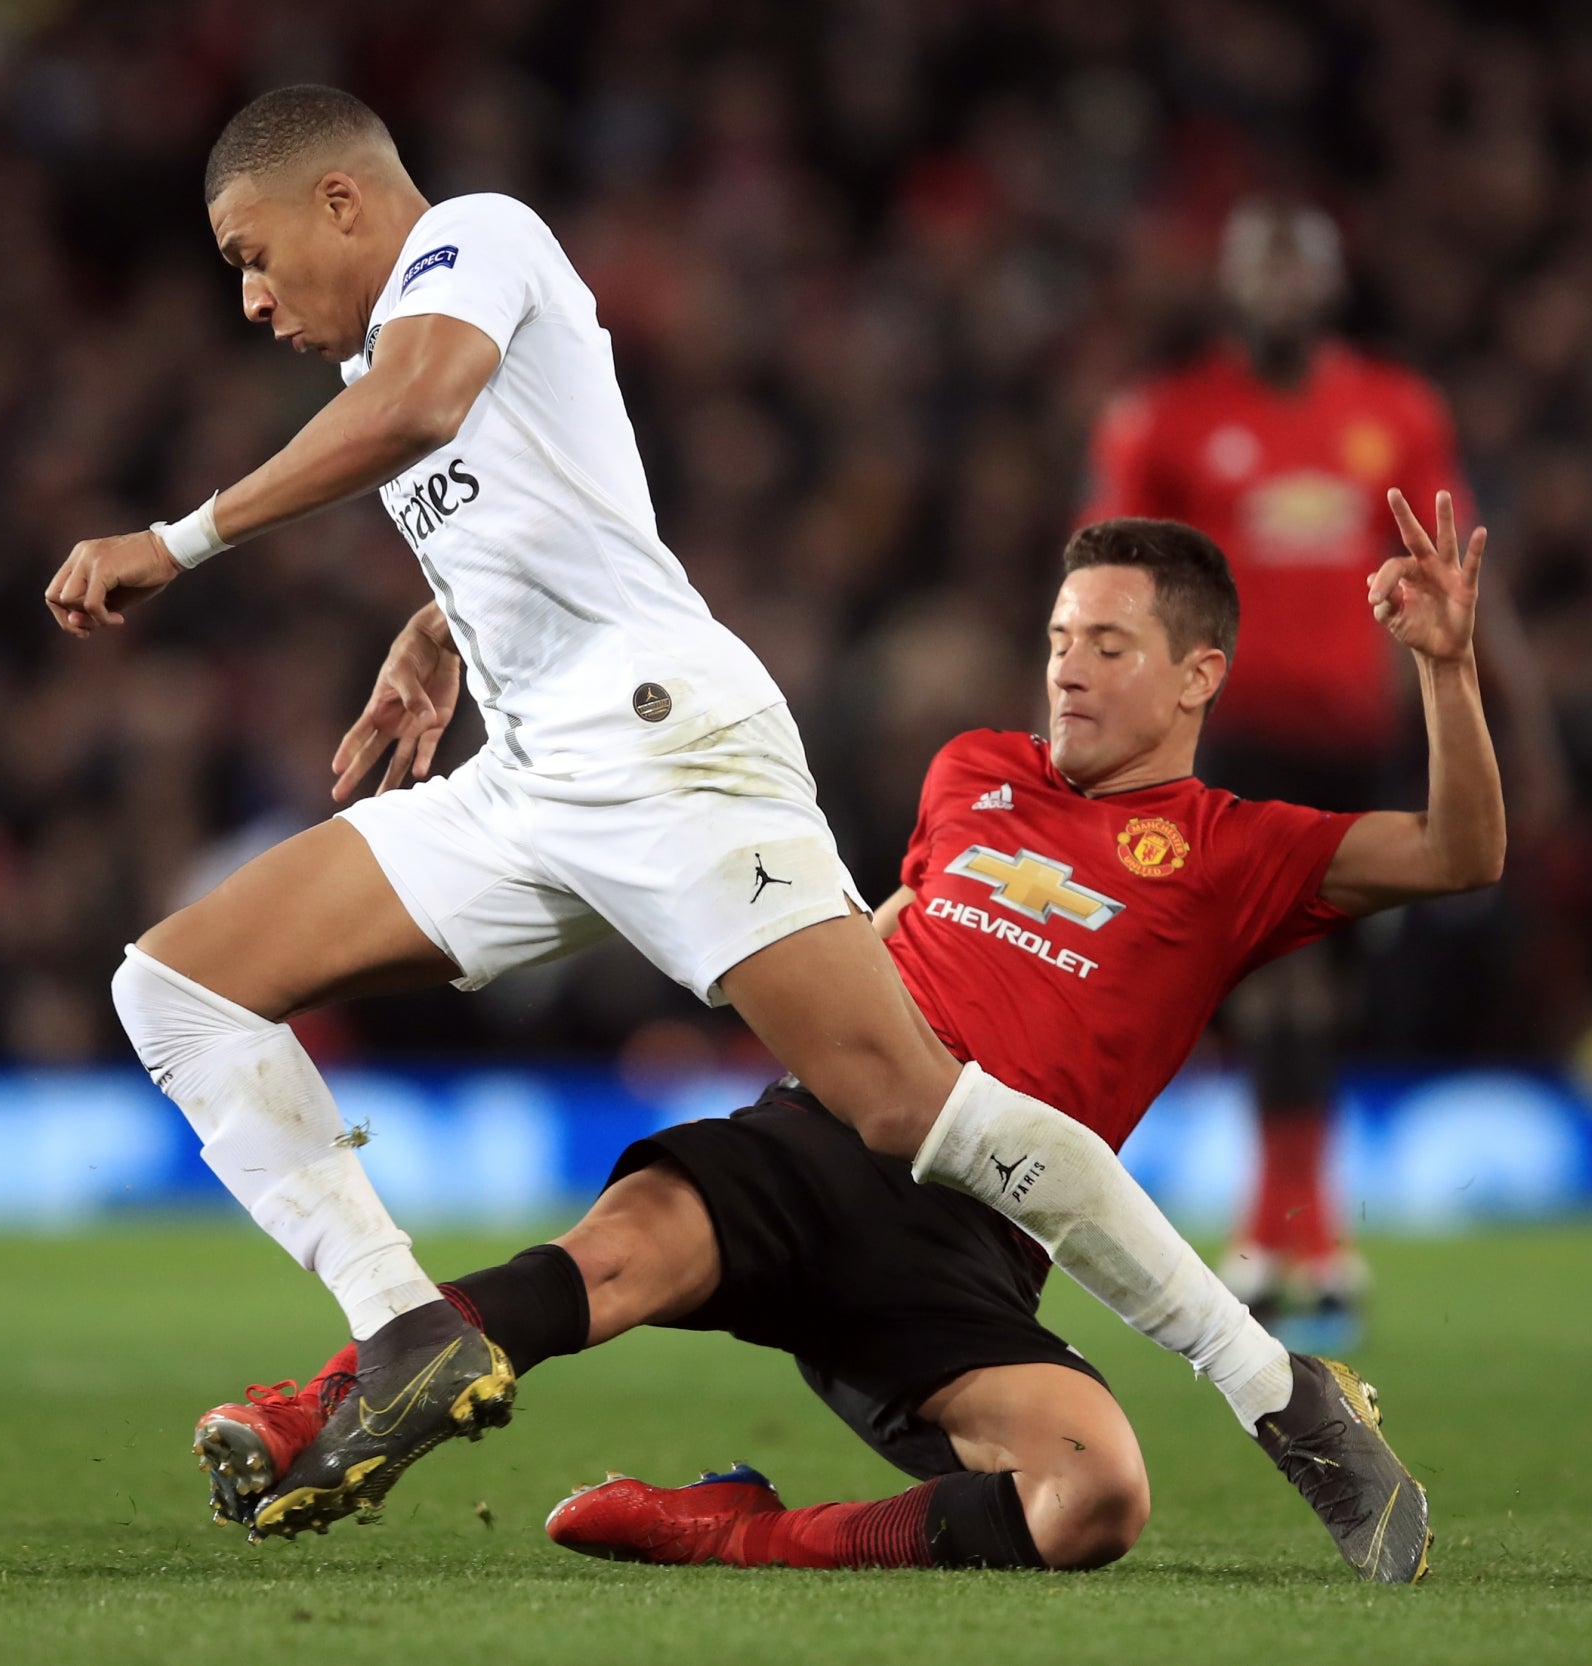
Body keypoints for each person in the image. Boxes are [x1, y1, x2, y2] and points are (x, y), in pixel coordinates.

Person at [47, 85, 1353, 1550]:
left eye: (250, 250)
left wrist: (177, 540)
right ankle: (405, 1325)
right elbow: (554, 498)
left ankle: (1274, 1385)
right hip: (534, 774)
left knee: (905, 1105)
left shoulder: (472, 239)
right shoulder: (415, 337)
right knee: (174, 982)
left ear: (340, 201)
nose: (249, 295)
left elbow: (417, 404)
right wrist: (446, 624)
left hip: (665, 747)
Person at [208, 500, 1501, 1584]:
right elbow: (886, 927)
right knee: (606, 1262)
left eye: (1109, 644)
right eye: (1060, 638)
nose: (1067, 667)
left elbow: (1461, 852)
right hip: (816, 1137)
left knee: (1093, 1495)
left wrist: (1444, 664)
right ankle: (304, 1410)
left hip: (972, 1239)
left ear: (1199, 674)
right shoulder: (971, 772)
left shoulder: (1234, 850)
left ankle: (739, 1530)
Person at [1084, 198, 1481, 1349]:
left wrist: (1495, 725)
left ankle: (1293, 1234)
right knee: (1266, 986)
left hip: (1353, 737)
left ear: (1329, 280)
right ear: (1228, 281)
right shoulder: (1169, 418)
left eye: (1296, 262)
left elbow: (1443, 576)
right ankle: (1292, 1235)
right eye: (1258, 262)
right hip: (1227, 739)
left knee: (1327, 994)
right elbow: (1112, 581)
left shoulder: (1392, 412)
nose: (1279, 283)